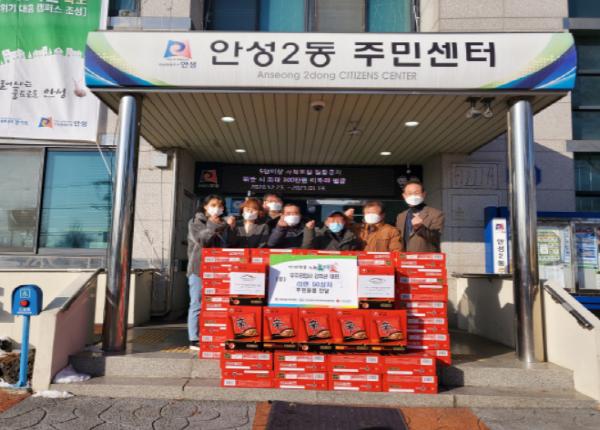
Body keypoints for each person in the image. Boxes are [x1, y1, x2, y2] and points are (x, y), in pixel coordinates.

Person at [186, 194, 236, 350]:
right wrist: (214, 225)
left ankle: (216, 335)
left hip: (221, 269)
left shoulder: (225, 222)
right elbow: (202, 241)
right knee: (197, 303)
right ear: (205, 206)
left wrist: (230, 228)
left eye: (220, 205)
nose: (217, 208)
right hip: (199, 269)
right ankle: (194, 338)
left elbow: (231, 244)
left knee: (218, 303)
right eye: (213, 205)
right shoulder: (196, 221)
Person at [396, 179, 444, 252]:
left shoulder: (436, 214)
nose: (413, 196)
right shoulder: (401, 216)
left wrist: (420, 227)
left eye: (416, 193)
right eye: (409, 193)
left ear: (424, 194)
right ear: (404, 196)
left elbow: (435, 237)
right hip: (404, 257)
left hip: (425, 258)